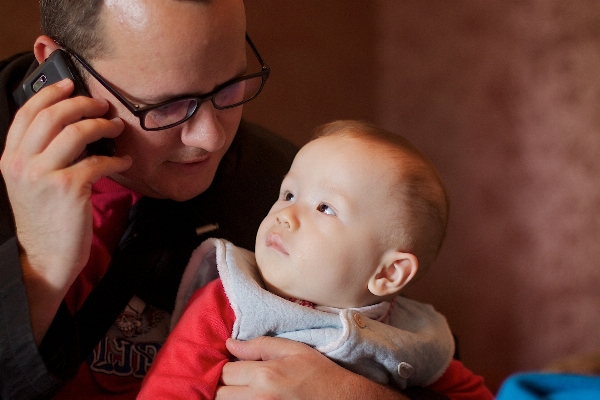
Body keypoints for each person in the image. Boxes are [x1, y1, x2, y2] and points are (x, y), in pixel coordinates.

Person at [0, 1, 483, 399]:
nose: (211, 138)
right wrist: (39, 268)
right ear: (57, 68)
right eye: (167, 105)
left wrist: (361, 396)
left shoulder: (283, 186)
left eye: (229, 87)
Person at [137, 120, 494, 399]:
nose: (285, 215)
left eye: (325, 207)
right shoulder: (230, 299)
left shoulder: (413, 337)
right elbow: (171, 388)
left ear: (389, 272)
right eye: (289, 193)